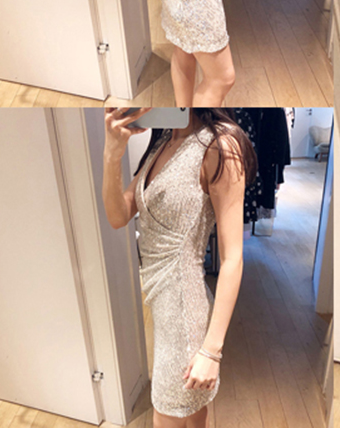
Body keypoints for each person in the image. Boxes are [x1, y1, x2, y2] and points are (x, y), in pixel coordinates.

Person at [101, 106, 257, 428]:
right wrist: (112, 153)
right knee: (192, 413)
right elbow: (118, 216)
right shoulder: (163, 141)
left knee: (167, 413)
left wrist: (211, 352)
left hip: (186, 315)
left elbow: (232, 258)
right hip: (163, 308)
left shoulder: (219, 146)